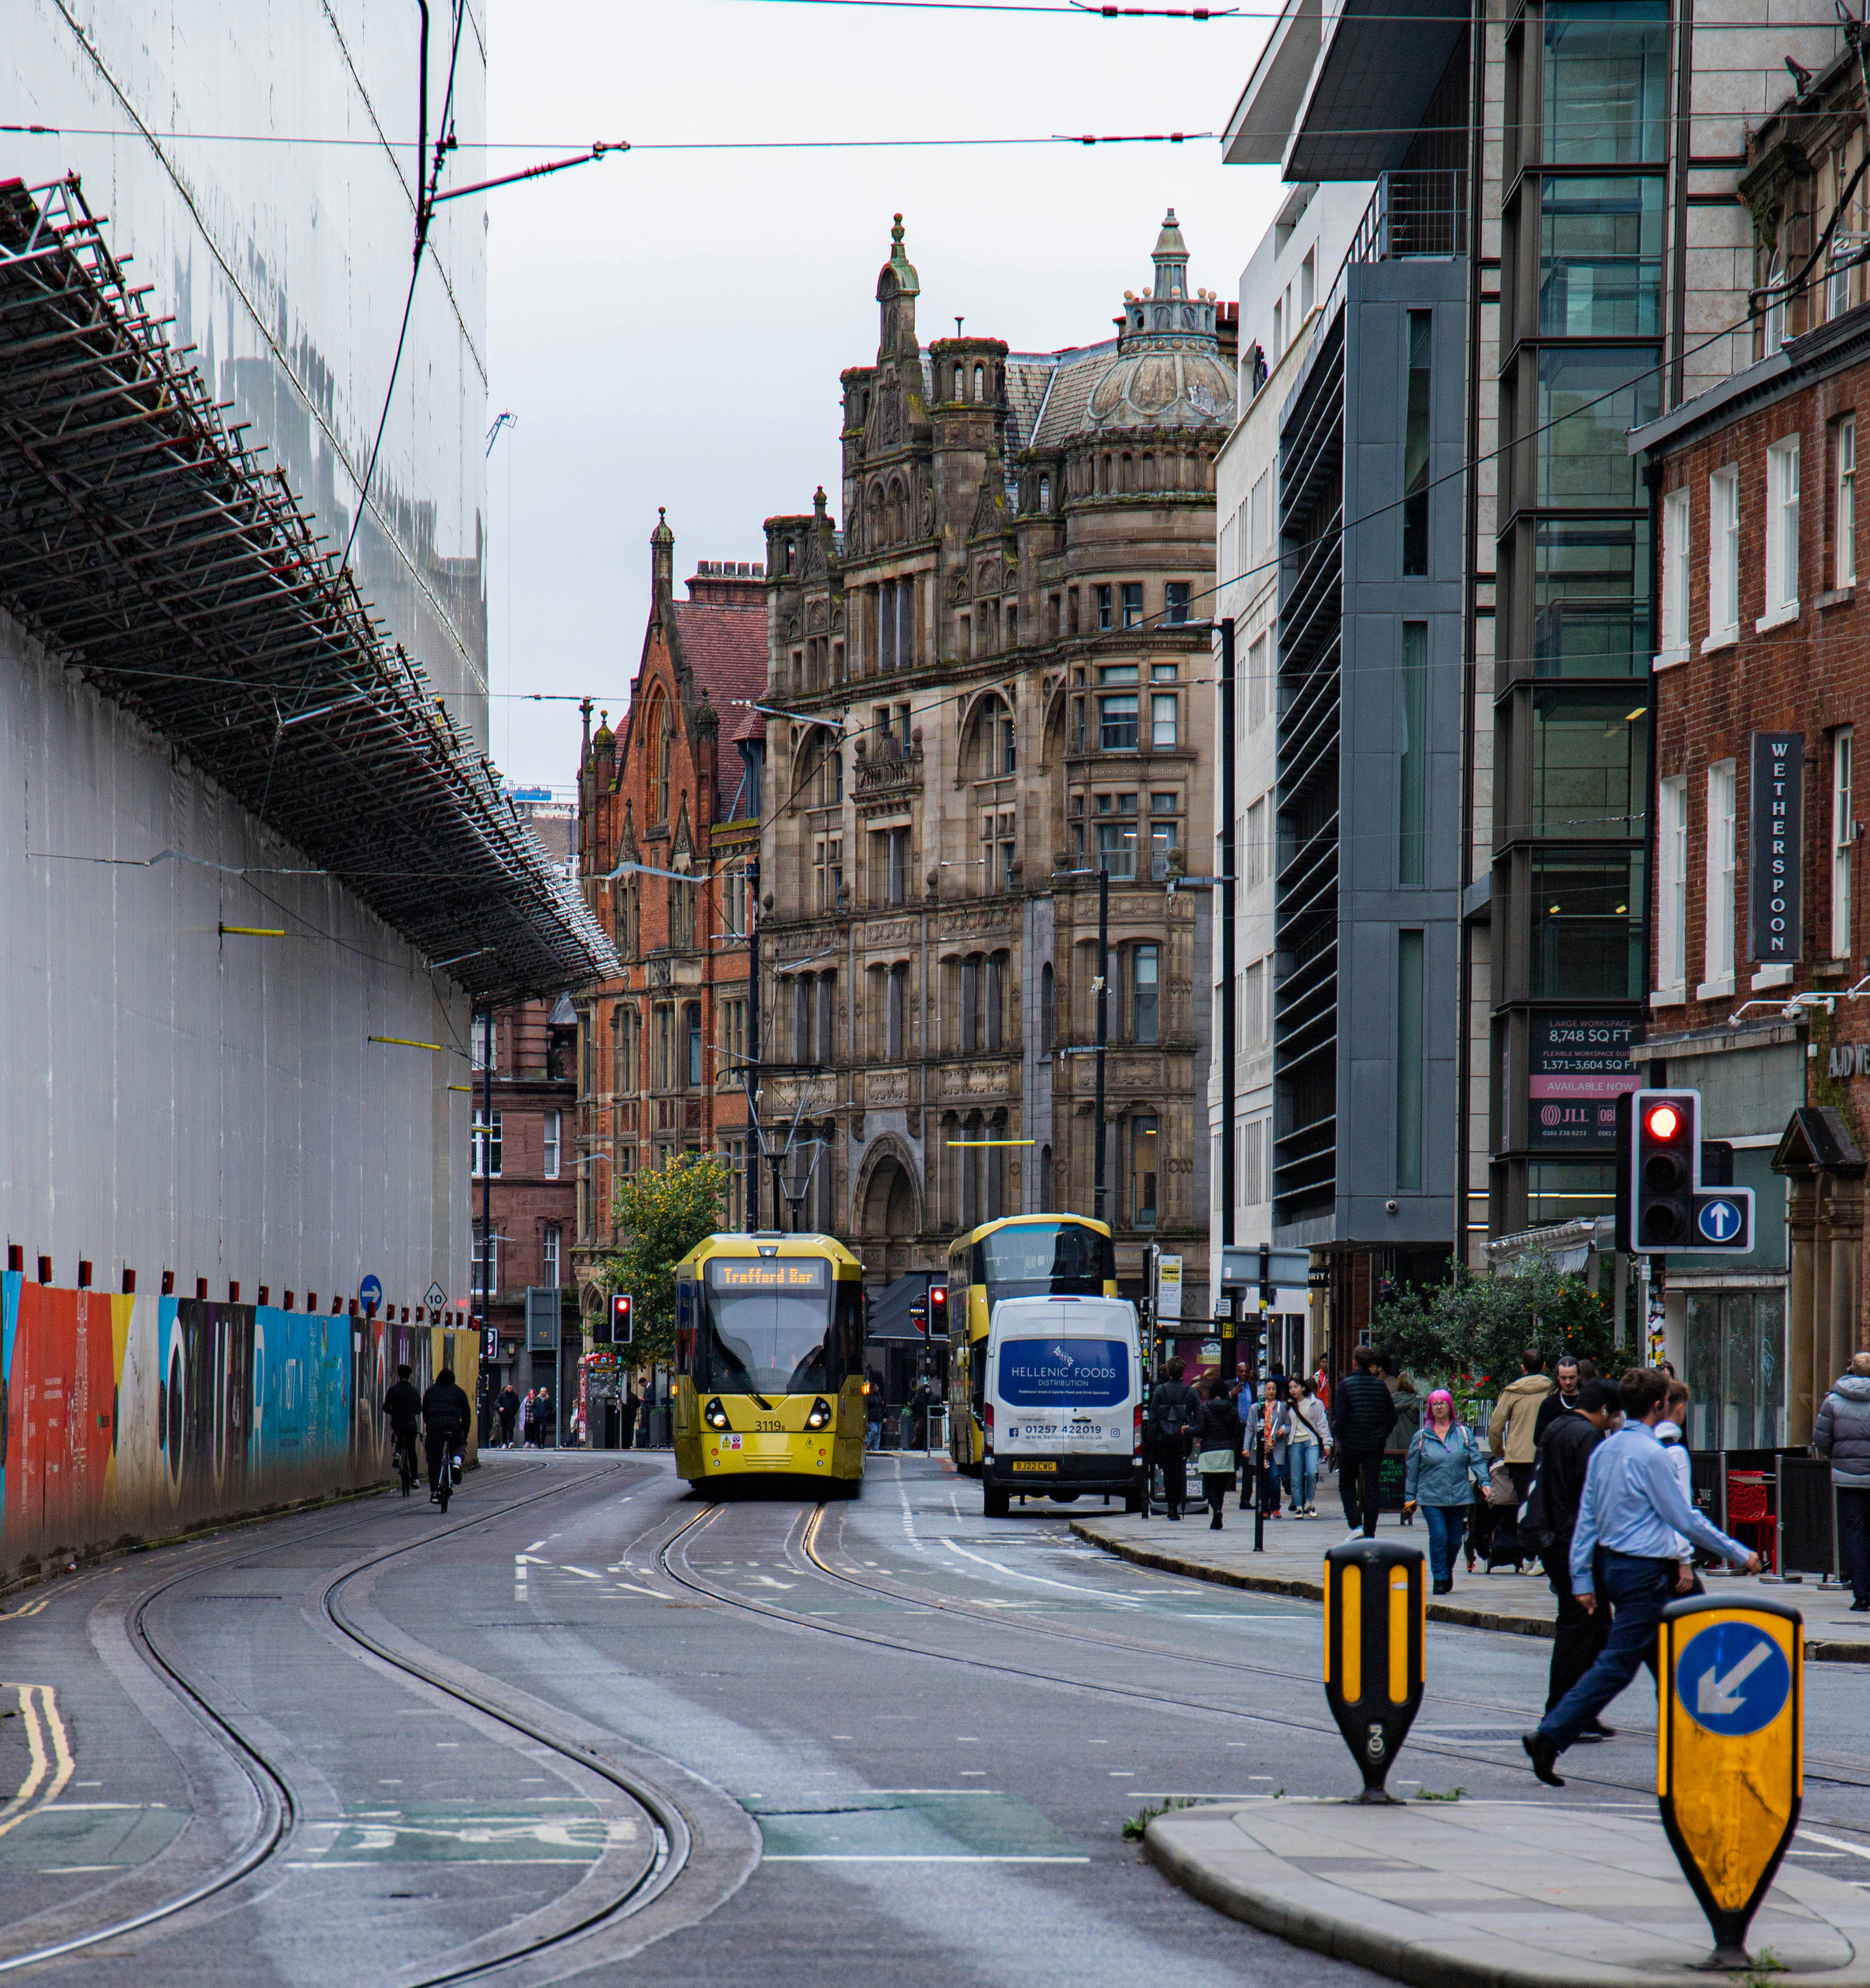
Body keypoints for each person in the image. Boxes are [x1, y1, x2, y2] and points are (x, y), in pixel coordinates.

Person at [1523, 1367, 1760, 1786]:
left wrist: (1582, 1578)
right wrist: (1740, 1552)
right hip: (1645, 1572)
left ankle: (1693, 1750)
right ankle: (1551, 1735)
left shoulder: (1607, 1449)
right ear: (1658, 1405)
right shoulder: (1652, 1455)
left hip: (1613, 1567)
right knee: (1618, 1664)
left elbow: (1588, 1519)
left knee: (1671, 1663)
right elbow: (1684, 1518)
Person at [1523, 1377, 1620, 1727]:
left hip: (1550, 1537)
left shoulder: (1558, 1427)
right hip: (1572, 1541)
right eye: (1614, 1415)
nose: (1615, 1421)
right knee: (1583, 1627)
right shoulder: (1588, 1437)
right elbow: (1590, 1498)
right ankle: (1567, 1711)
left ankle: (1578, 1709)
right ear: (1604, 1410)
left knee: (1590, 1625)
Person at [1404, 1389, 1489, 1593]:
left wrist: (1485, 1482)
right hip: (1431, 1497)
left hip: (1458, 1496)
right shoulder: (1422, 1436)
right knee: (1439, 1536)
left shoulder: (1463, 1434)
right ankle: (1440, 1578)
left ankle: (1447, 1568)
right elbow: (1413, 1470)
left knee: (1454, 1541)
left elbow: (1477, 1460)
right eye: (1435, 1404)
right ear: (1430, 1409)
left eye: (1443, 1403)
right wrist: (1410, 1497)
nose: (1439, 1407)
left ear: (1450, 1407)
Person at [1488, 1346, 1555, 1569]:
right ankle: (1544, 1553)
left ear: (1523, 1368)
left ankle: (1529, 1555)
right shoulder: (1553, 1391)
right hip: (1546, 1455)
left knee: (1525, 1505)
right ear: (1544, 1367)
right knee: (1546, 1504)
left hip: (1519, 1458)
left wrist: (1499, 1452)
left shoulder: (1512, 1392)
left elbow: (1496, 1427)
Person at [1814, 1350, 1870, 1610]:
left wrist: (1837, 1456)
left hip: (1849, 1477)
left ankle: (1862, 1595)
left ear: (1851, 1370)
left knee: (1856, 1531)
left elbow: (1822, 1437)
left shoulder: (1834, 1401)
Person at [1330, 1349, 1397, 1539]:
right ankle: (1370, 1531)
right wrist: (1382, 1435)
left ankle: (1355, 1525)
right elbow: (1392, 1417)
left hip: (1351, 1444)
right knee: (1372, 1487)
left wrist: (1340, 1435)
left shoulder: (1345, 1386)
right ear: (1372, 1365)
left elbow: (1339, 1418)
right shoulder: (1380, 1386)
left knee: (1347, 1485)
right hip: (1374, 1445)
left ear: (1354, 1363)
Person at [1150, 1357, 1201, 1521]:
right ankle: (1176, 1502)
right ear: (1183, 1372)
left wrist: (1151, 1441)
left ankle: (1171, 1505)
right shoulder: (1191, 1392)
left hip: (1163, 1438)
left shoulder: (1160, 1391)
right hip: (1183, 1437)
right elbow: (1199, 1415)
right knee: (1179, 1471)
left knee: (1167, 1471)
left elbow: (1153, 1417)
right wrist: (1196, 1432)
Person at [1195, 1378, 1244, 1531]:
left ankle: (1216, 1510)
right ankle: (1218, 1514)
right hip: (1227, 1451)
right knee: (1221, 1486)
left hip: (1209, 1451)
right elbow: (1237, 1433)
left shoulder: (1204, 1408)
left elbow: (1200, 1431)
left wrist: (1187, 1430)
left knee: (1209, 1485)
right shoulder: (1232, 1409)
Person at [421, 1365, 473, 1503]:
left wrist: (430, 1425)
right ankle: (456, 1462)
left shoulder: (431, 1391)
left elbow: (425, 1410)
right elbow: (467, 1415)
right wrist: (465, 1433)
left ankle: (435, 1492)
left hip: (435, 1426)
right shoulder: (459, 1392)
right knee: (458, 1445)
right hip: (453, 1425)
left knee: (434, 1458)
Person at [1286, 1377, 1330, 1516]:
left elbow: (1322, 1424)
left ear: (1303, 1388)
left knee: (1312, 1472)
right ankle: (1299, 1506)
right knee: (1296, 1476)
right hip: (1295, 1442)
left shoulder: (1315, 1403)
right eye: (1291, 1388)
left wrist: (1327, 1443)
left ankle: (1309, 1503)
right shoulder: (1288, 1405)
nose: (1293, 1390)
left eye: (1296, 1387)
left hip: (1311, 1442)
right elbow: (1286, 1424)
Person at [1533, 1356, 1596, 1446]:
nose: (1568, 1382)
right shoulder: (1549, 1404)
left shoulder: (1589, 1402)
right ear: (1558, 1377)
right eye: (1564, 1378)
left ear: (1579, 1376)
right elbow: (1538, 1438)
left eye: (1572, 1378)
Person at [382, 1364, 422, 1488]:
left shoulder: (393, 1390)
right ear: (410, 1376)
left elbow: (386, 1407)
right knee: (412, 1450)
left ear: (399, 1375)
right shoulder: (414, 1391)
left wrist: (394, 1413)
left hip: (397, 1423)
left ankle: (398, 1454)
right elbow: (419, 1410)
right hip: (410, 1423)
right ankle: (415, 1479)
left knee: (400, 1436)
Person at [1257, 1379, 1291, 1521]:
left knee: (1275, 1477)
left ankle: (1275, 1507)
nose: (1271, 1392)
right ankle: (1265, 1509)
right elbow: (1252, 1427)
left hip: (1277, 1447)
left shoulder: (1282, 1407)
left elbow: (1289, 1425)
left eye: (1274, 1389)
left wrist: (1284, 1430)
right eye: (1268, 1389)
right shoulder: (1258, 1407)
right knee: (1264, 1480)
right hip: (1262, 1448)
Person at [495, 1381, 520, 1449]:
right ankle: (505, 1443)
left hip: (511, 1415)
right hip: (504, 1415)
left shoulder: (515, 1396)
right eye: (509, 1388)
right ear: (507, 1388)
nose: (510, 1389)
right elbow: (497, 1403)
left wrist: (514, 1411)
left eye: (511, 1388)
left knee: (511, 1428)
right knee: (504, 1429)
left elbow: (517, 1405)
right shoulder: (502, 1395)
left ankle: (511, 1441)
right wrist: (500, 1408)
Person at [865, 1375, 885, 1452]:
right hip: (872, 1417)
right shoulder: (869, 1396)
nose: (878, 1389)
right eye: (876, 1387)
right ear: (873, 1389)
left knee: (878, 1434)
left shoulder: (879, 1395)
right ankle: (867, 1443)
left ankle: (877, 1448)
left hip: (879, 1416)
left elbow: (882, 1404)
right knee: (875, 1430)